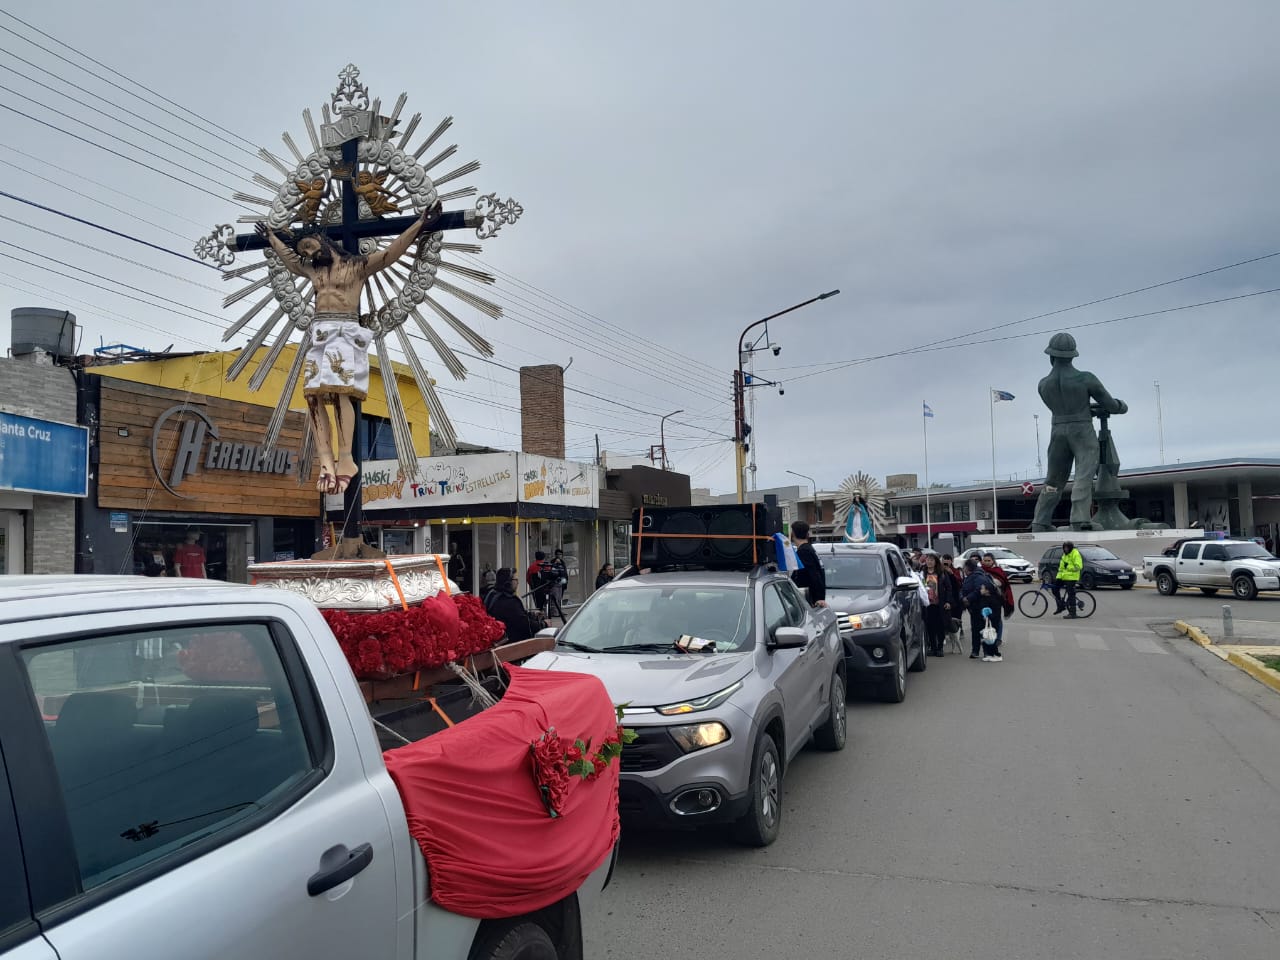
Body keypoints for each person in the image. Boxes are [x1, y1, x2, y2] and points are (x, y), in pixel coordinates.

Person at [256, 203, 437, 494]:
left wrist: (420, 224)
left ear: (324, 240)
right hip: (320, 335)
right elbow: (290, 262)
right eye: (306, 252)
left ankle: (346, 459)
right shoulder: (313, 270)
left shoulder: (356, 266)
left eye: (312, 247)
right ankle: (325, 460)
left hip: (344, 333)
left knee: (341, 395)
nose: (311, 255)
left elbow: (392, 253)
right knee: (313, 397)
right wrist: (272, 239)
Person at [1030, 332, 1129, 531]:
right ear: (1072, 356)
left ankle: (1040, 521)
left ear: (1051, 357)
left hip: (1057, 430)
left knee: (1053, 479)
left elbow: (1061, 407)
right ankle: (1080, 518)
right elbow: (1109, 404)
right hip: (1082, 430)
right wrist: (1121, 406)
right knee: (1084, 473)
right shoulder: (1085, 378)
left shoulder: (1043, 385)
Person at [960, 556, 1003, 661]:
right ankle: (978, 651)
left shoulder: (979, 577)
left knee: (984, 630)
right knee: (976, 629)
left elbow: (979, 591)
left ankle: (990, 653)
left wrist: (967, 599)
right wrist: (963, 597)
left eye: (964, 568)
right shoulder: (972, 576)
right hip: (975, 607)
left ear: (968, 568)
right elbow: (964, 589)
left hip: (982, 607)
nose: (963, 570)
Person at [483, 568, 533, 644]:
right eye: (515, 580)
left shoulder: (492, 595)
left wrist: (531, 615)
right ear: (508, 582)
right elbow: (525, 625)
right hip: (513, 645)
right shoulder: (510, 602)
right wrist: (543, 624)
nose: (518, 582)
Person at [922, 553, 957, 657]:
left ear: (936, 562)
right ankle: (932, 648)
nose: (929, 562)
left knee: (940, 626)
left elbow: (949, 588)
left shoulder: (942, 573)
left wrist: (948, 601)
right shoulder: (922, 573)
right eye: (928, 560)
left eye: (932, 560)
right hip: (927, 604)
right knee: (929, 627)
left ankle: (940, 647)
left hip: (939, 604)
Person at [788, 521, 827, 607]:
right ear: (807, 534)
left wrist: (819, 598)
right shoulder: (809, 549)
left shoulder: (804, 551)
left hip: (808, 600)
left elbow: (814, 574)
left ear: (793, 534)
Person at [981, 552, 1015, 650]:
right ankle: (986, 637)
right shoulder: (980, 571)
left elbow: (1003, 583)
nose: (987, 563)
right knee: (984, 618)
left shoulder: (998, 570)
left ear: (993, 561)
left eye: (989, 561)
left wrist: (994, 583)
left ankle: (998, 638)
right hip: (983, 599)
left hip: (996, 599)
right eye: (985, 560)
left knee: (996, 619)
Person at [1054, 540, 1084, 618]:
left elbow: (1078, 566)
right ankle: (1060, 606)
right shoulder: (1064, 555)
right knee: (1054, 589)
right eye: (1064, 547)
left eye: (1067, 547)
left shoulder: (1075, 553)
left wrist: (1068, 567)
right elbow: (1061, 568)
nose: (1066, 549)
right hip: (1063, 576)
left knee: (1071, 594)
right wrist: (1058, 578)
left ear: (1070, 548)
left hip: (1072, 577)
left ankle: (1073, 613)